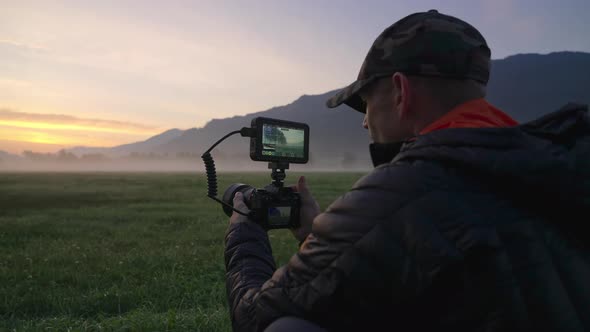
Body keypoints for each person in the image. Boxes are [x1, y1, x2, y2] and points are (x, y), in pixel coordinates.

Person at [225, 9, 590, 332]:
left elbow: (255, 316)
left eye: (365, 104)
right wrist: (310, 232)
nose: (365, 124)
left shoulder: (404, 190)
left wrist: (244, 225)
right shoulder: (555, 160)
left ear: (400, 92)